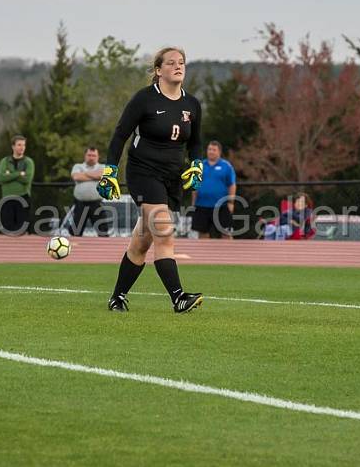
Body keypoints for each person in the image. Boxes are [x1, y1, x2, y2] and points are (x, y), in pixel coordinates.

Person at [97, 46, 204, 313]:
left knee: (143, 240)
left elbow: (196, 141)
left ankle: (117, 297)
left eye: (182, 62)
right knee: (164, 232)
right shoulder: (144, 99)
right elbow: (120, 134)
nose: (178, 66)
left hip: (172, 177)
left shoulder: (192, 104)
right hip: (143, 172)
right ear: (158, 70)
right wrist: (110, 169)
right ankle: (178, 297)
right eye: (171, 63)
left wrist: (197, 164)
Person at [191, 140, 236, 239]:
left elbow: (232, 185)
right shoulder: (199, 166)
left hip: (222, 206)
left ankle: (228, 254)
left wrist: (231, 202)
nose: (211, 152)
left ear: (219, 152)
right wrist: (193, 203)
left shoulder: (226, 166)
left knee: (226, 233)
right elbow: (195, 186)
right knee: (202, 233)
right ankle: (204, 254)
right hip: (202, 205)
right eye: (209, 149)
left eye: (214, 150)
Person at [0, 135, 34, 234]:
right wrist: (19, 174)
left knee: (22, 229)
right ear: (13, 147)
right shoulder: (4, 161)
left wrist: (10, 174)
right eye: (19, 145)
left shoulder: (28, 162)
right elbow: (2, 178)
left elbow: (27, 179)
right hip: (7, 198)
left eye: (24, 145)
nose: (22, 147)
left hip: (23, 198)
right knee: (7, 229)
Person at [69, 147, 108, 236]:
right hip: (80, 204)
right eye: (89, 155)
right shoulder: (78, 166)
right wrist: (95, 175)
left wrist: (85, 173)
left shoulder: (103, 167)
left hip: (97, 204)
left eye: (94, 155)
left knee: (103, 232)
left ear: (98, 157)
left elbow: (102, 175)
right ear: (85, 156)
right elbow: (76, 177)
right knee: (75, 232)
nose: (91, 157)